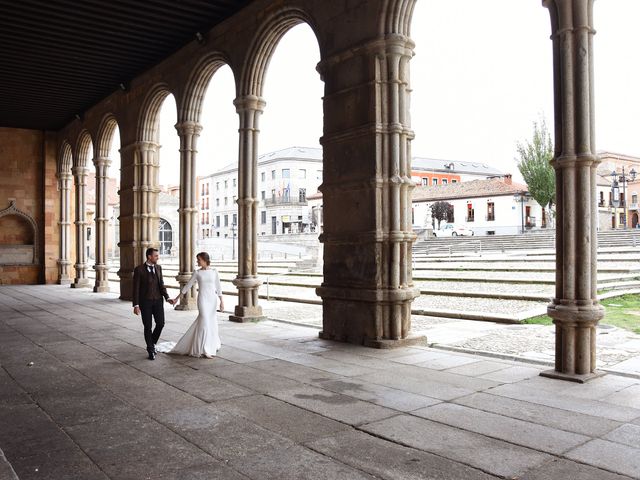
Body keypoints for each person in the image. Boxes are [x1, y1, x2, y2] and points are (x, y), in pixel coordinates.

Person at [157, 252, 224, 358]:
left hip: (212, 300)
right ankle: (204, 349)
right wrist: (177, 298)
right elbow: (188, 286)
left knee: (210, 322)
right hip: (202, 299)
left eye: (199, 260)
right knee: (204, 321)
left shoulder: (214, 271)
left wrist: (221, 302)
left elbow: (218, 287)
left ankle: (210, 345)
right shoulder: (197, 273)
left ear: (205, 260)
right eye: (197, 259)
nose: (197, 261)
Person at [132, 247, 175, 360]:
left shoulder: (158, 268)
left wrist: (167, 297)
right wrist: (136, 305)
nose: (158, 257)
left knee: (160, 324)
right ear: (149, 256)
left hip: (158, 302)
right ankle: (151, 349)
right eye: (156, 256)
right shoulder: (139, 269)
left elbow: (161, 285)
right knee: (148, 326)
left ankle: (152, 344)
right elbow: (135, 289)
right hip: (145, 302)